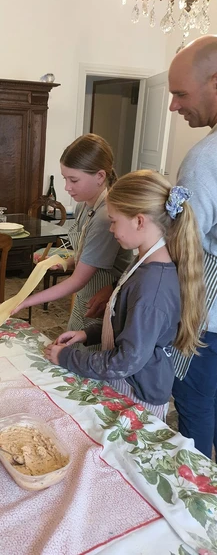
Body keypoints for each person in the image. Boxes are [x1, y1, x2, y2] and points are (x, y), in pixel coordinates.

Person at [44, 171, 205, 420]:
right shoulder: (142, 263)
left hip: (137, 395)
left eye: (114, 220)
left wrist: (67, 357)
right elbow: (127, 325)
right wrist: (87, 333)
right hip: (125, 382)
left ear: (139, 221)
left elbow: (124, 362)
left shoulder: (152, 288)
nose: (110, 228)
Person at [13, 134, 132, 350]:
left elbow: (77, 280)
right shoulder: (84, 206)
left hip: (99, 304)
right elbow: (84, 254)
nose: (66, 187)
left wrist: (24, 301)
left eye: (73, 180)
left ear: (100, 176)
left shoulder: (106, 216)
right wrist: (66, 261)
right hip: (84, 299)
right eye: (64, 178)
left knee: (87, 362)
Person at [167, 35, 217, 458]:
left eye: (180, 93)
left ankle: (197, 501)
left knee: (197, 410)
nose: (173, 106)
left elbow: (183, 251)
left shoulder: (204, 159)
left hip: (208, 322)